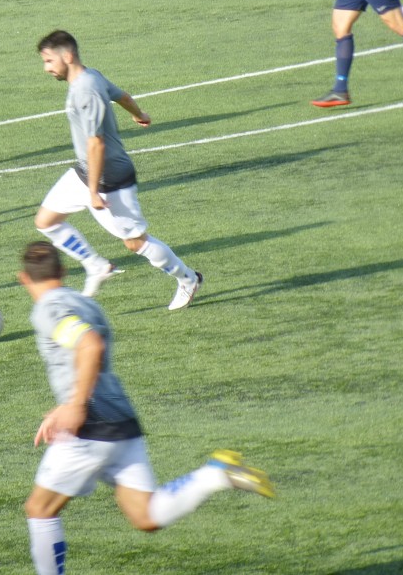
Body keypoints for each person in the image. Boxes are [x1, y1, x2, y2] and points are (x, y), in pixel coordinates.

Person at [19, 241, 274, 575]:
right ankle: (214, 475)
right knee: (146, 515)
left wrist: (76, 406)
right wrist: (65, 406)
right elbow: (85, 357)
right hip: (121, 418)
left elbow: (89, 345)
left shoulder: (47, 309)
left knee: (40, 509)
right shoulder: (86, 302)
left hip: (90, 424)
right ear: (63, 271)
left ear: (24, 279)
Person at [35, 30, 202, 311]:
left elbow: (96, 143)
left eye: (49, 60)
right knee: (46, 221)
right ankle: (95, 265)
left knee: (135, 243)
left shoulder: (86, 90)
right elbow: (122, 96)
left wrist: (93, 192)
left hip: (109, 180)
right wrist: (139, 114)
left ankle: (188, 278)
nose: (46, 68)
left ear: (68, 56)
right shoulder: (91, 76)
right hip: (86, 172)